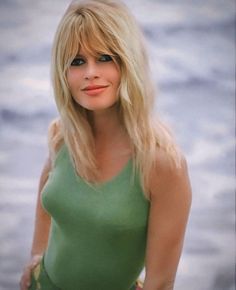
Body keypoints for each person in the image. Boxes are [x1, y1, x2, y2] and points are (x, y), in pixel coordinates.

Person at [19, 0, 192, 289]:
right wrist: (36, 255)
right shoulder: (63, 135)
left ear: (128, 62)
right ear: (63, 73)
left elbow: (160, 282)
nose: (90, 72)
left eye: (104, 57)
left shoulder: (162, 164)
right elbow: (45, 198)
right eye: (76, 61)